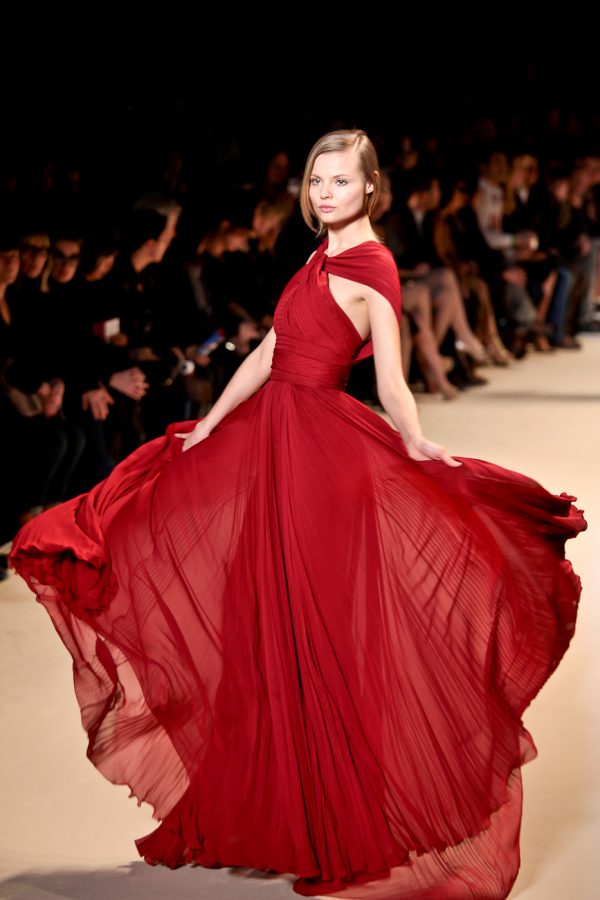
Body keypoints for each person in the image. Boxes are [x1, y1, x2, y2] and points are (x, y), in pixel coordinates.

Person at [7, 129, 587, 900]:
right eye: (316, 180)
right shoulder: (317, 256)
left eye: (339, 182)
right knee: (261, 623)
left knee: (317, 632)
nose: (323, 193)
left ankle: (334, 820)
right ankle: (271, 812)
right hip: (269, 448)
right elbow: (272, 348)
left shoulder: (373, 266)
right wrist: (212, 424)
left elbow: (392, 377)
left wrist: (415, 440)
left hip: (320, 461)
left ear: (371, 189)